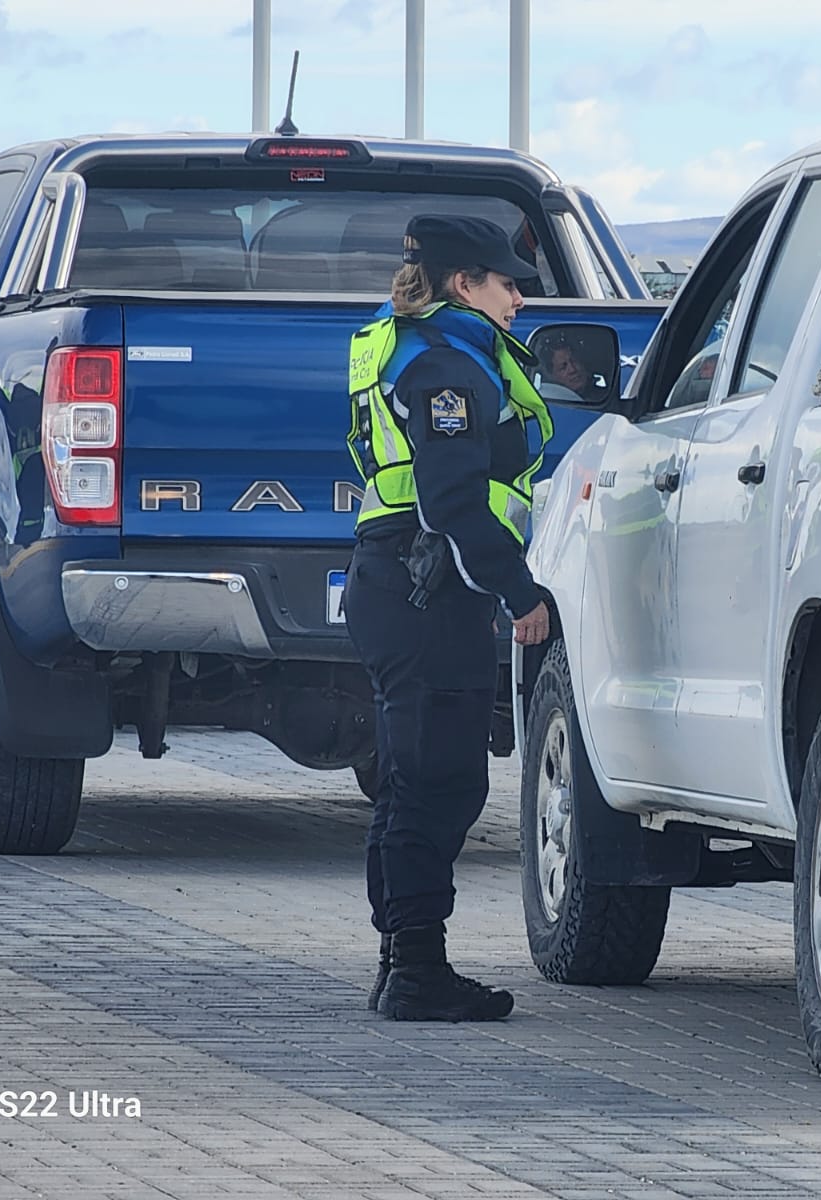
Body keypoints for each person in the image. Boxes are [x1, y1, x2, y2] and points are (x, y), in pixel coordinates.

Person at [344, 214, 554, 1022]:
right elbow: (453, 498)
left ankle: (403, 958)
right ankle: (416, 970)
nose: (519, 302)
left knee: (410, 783)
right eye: (508, 284)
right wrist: (519, 592)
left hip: (397, 580)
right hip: (427, 585)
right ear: (464, 283)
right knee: (437, 783)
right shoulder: (447, 364)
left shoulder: (414, 347)